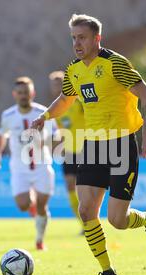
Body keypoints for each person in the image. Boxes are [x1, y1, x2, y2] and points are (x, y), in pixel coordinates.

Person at [32, 14, 146, 275]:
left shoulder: (115, 64)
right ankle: (107, 272)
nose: (77, 43)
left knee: (117, 219)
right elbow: (66, 99)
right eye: (73, 38)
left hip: (121, 144)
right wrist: (45, 116)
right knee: (86, 211)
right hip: (92, 146)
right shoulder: (73, 69)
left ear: (96, 38)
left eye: (82, 38)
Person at [0, 77, 59, 251]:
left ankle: (39, 239)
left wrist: (47, 143)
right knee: (23, 205)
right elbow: (2, 135)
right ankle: (32, 208)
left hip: (42, 166)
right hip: (19, 168)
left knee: (42, 207)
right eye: (20, 93)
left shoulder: (43, 112)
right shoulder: (8, 115)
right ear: (15, 95)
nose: (23, 96)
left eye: (26, 92)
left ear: (33, 93)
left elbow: (56, 134)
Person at [49, 71, 85, 234]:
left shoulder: (77, 101)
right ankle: (83, 225)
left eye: (59, 84)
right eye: (54, 85)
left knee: (85, 188)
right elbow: (60, 131)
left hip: (86, 148)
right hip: (69, 152)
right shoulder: (56, 108)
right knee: (70, 186)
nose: (56, 87)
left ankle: (91, 221)